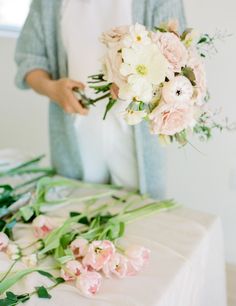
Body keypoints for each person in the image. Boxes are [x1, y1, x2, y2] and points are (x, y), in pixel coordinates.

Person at [15, 0, 186, 199]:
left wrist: (136, 89)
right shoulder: (48, 4)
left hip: (136, 139)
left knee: (140, 220)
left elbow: (179, 62)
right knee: (77, 214)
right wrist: (52, 89)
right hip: (75, 137)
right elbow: (29, 59)